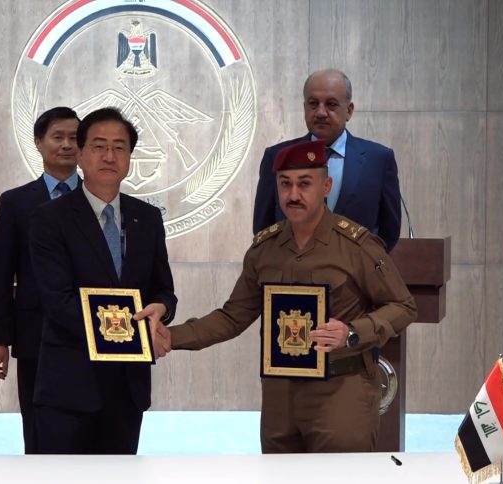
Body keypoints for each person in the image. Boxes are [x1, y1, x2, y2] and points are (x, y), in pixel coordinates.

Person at [169, 139, 417, 453]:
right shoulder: (265, 249)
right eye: (285, 184)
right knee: (278, 474)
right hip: (279, 398)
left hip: (341, 392)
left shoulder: (356, 245)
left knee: (341, 475)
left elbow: (403, 306)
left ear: (326, 186)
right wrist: (170, 337)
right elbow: (232, 317)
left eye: (304, 184)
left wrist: (353, 333)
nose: (293, 194)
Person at [28, 107, 176, 454]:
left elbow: (163, 289)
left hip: (127, 388)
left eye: (119, 147)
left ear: (129, 158)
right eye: (98, 146)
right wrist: (128, 330)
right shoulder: (49, 219)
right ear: (80, 154)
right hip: (70, 387)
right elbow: (58, 301)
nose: (109, 156)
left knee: (120, 476)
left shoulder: (147, 218)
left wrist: (161, 310)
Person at [0, 107, 80, 454]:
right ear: (39, 143)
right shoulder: (16, 203)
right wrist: (0, 339)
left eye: (74, 138)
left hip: (90, 331)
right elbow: (2, 274)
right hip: (35, 335)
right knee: (40, 431)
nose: (67, 145)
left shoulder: (99, 199)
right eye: (58, 137)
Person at [252, 69, 402, 252]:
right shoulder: (277, 156)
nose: (321, 112)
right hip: (292, 267)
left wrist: (364, 263)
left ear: (349, 110)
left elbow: (389, 232)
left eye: (331, 104)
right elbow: (263, 229)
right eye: (313, 104)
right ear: (305, 108)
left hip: (355, 268)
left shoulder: (378, 160)